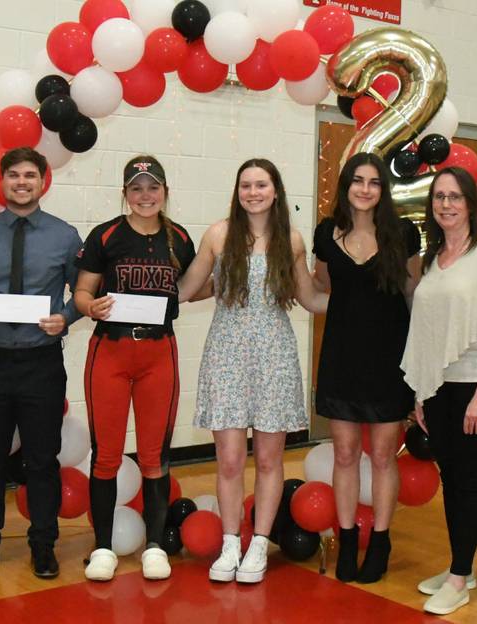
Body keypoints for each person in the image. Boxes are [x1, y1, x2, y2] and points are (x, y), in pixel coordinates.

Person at [177, 158, 328, 583]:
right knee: (228, 459)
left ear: (275, 190)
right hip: (226, 354)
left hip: (274, 355)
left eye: (261, 185)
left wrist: (366, 301)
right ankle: (230, 543)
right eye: (246, 185)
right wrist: (130, 294)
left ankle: (259, 543)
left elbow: (312, 300)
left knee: (267, 459)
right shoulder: (218, 234)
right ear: (237, 191)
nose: (253, 192)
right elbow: (187, 289)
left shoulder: (292, 241)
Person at [0, 147, 82, 580]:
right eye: (13, 175)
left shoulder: (65, 236)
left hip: (40, 363)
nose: (22, 182)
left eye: (30, 174)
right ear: (2, 182)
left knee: (42, 460)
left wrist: (65, 316)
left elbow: (81, 294)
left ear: (43, 181)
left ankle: (43, 544)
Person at [401, 167, 477, 615]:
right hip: (440, 388)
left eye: (454, 197)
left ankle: (459, 579)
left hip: (476, 386)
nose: (446, 204)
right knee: (451, 480)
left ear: (470, 203)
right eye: (438, 197)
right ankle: (462, 567)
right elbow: (428, 329)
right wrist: (420, 393)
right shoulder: (435, 256)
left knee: (468, 482)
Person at [75, 155, 196, 582]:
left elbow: (192, 288)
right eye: (137, 188)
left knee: (153, 456)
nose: (146, 195)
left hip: (158, 354)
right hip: (110, 352)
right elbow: (82, 291)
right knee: (106, 455)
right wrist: (91, 305)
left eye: (153, 187)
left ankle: (155, 546)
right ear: (125, 193)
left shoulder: (179, 238)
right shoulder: (106, 235)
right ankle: (103, 546)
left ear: (165, 191)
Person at [311, 152, 421, 584]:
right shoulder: (326, 232)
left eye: (374, 182)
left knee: (381, 454)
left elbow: (413, 293)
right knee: (344, 453)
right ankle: (346, 536)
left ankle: (380, 539)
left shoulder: (403, 233)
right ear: (346, 186)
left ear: (383, 190)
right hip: (342, 356)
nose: (365, 189)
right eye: (357, 181)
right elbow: (322, 283)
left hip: (388, 359)